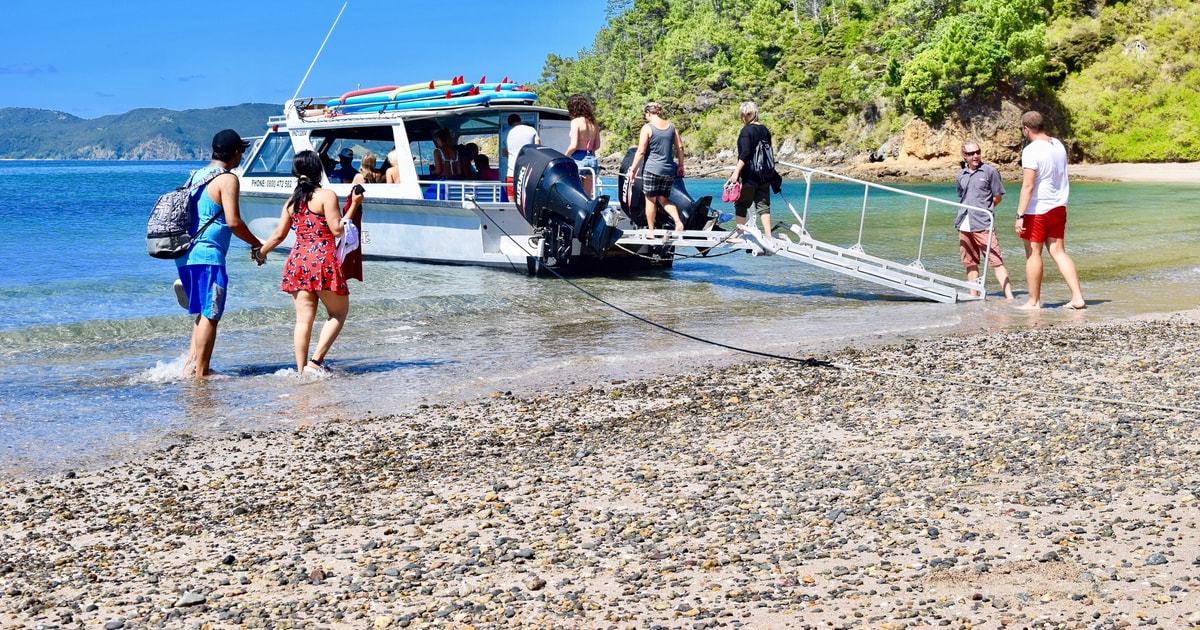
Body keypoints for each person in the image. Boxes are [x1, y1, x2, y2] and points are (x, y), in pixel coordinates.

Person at [257, 150, 364, 375]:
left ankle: (300, 371)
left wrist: (261, 253)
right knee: (338, 313)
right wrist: (354, 205)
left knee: (303, 321)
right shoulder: (327, 195)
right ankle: (315, 363)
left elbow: (278, 235)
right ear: (319, 170)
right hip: (322, 260)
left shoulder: (291, 202)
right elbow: (336, 230)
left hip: (298, 261)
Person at [176, 129, 266, 378]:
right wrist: (256, 244)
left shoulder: (197, 175)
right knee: (211, 314)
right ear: (236, 152)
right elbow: (234, 222)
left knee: (203, 312)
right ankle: (202, 373)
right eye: (242, 152)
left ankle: (190, 367)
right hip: (208, 254)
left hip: (185, 254)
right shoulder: (228, 179)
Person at [1014, 111, 1086, 310]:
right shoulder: (1058, 145)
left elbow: (1028, 186)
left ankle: (1033, 302)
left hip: (1037, 209)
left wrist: (1020, 215)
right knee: (1058, 251)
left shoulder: (1031, 150)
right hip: (1058, 206)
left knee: (1033, 254)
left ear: (1027, 129)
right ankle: (1077, 297)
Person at [955, 140, 1014, 300]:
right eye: (971, 153)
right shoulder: (960, 175)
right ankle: (973, 296)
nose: (975, 156)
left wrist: (986, 210)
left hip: (983, 224)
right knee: (970, 262)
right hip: (964, 223)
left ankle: (1009, 297)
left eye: (977, 152)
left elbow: (998, 197)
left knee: (996, 261)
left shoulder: (990, 171)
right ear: (964, 156)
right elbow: (962, 197)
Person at [627, 102, 685, 232]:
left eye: (645, 115)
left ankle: (651, 231)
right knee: (664, 199)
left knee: (651, 200)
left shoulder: (647, 128)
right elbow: (680, 147)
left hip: (651, 169)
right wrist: (681, 165)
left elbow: (641, 151)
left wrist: (633, 169)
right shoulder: (671, 127)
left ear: (648, 113)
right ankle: (677, 221)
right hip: (668, 170)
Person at [726, 101, 776, 240]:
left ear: (745, 116)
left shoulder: (747, 131)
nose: (742, 118)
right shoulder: (765, 130)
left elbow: (745, 153)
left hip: (750, 175)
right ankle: (768, 234)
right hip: (766, 174)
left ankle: (739, 235)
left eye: (743, 115)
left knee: (741, 204)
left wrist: (736, 173)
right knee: (763, 205)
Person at [564, 94, 601, 196]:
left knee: (576, 195)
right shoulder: (593, 122)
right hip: (591, 160)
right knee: (587, 196)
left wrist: (563, 156)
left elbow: (573, 145)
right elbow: (597, 145)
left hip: (579, 160)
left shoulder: (576, 122)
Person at [504, 114, 540, 198]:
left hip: (512, 172)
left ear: (509, 123)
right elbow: (538, 148)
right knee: (526, 198)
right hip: (528, 172)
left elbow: (505, 152)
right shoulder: (531, 130)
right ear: (520, 120)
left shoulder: (506, 132)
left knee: (511, 198)